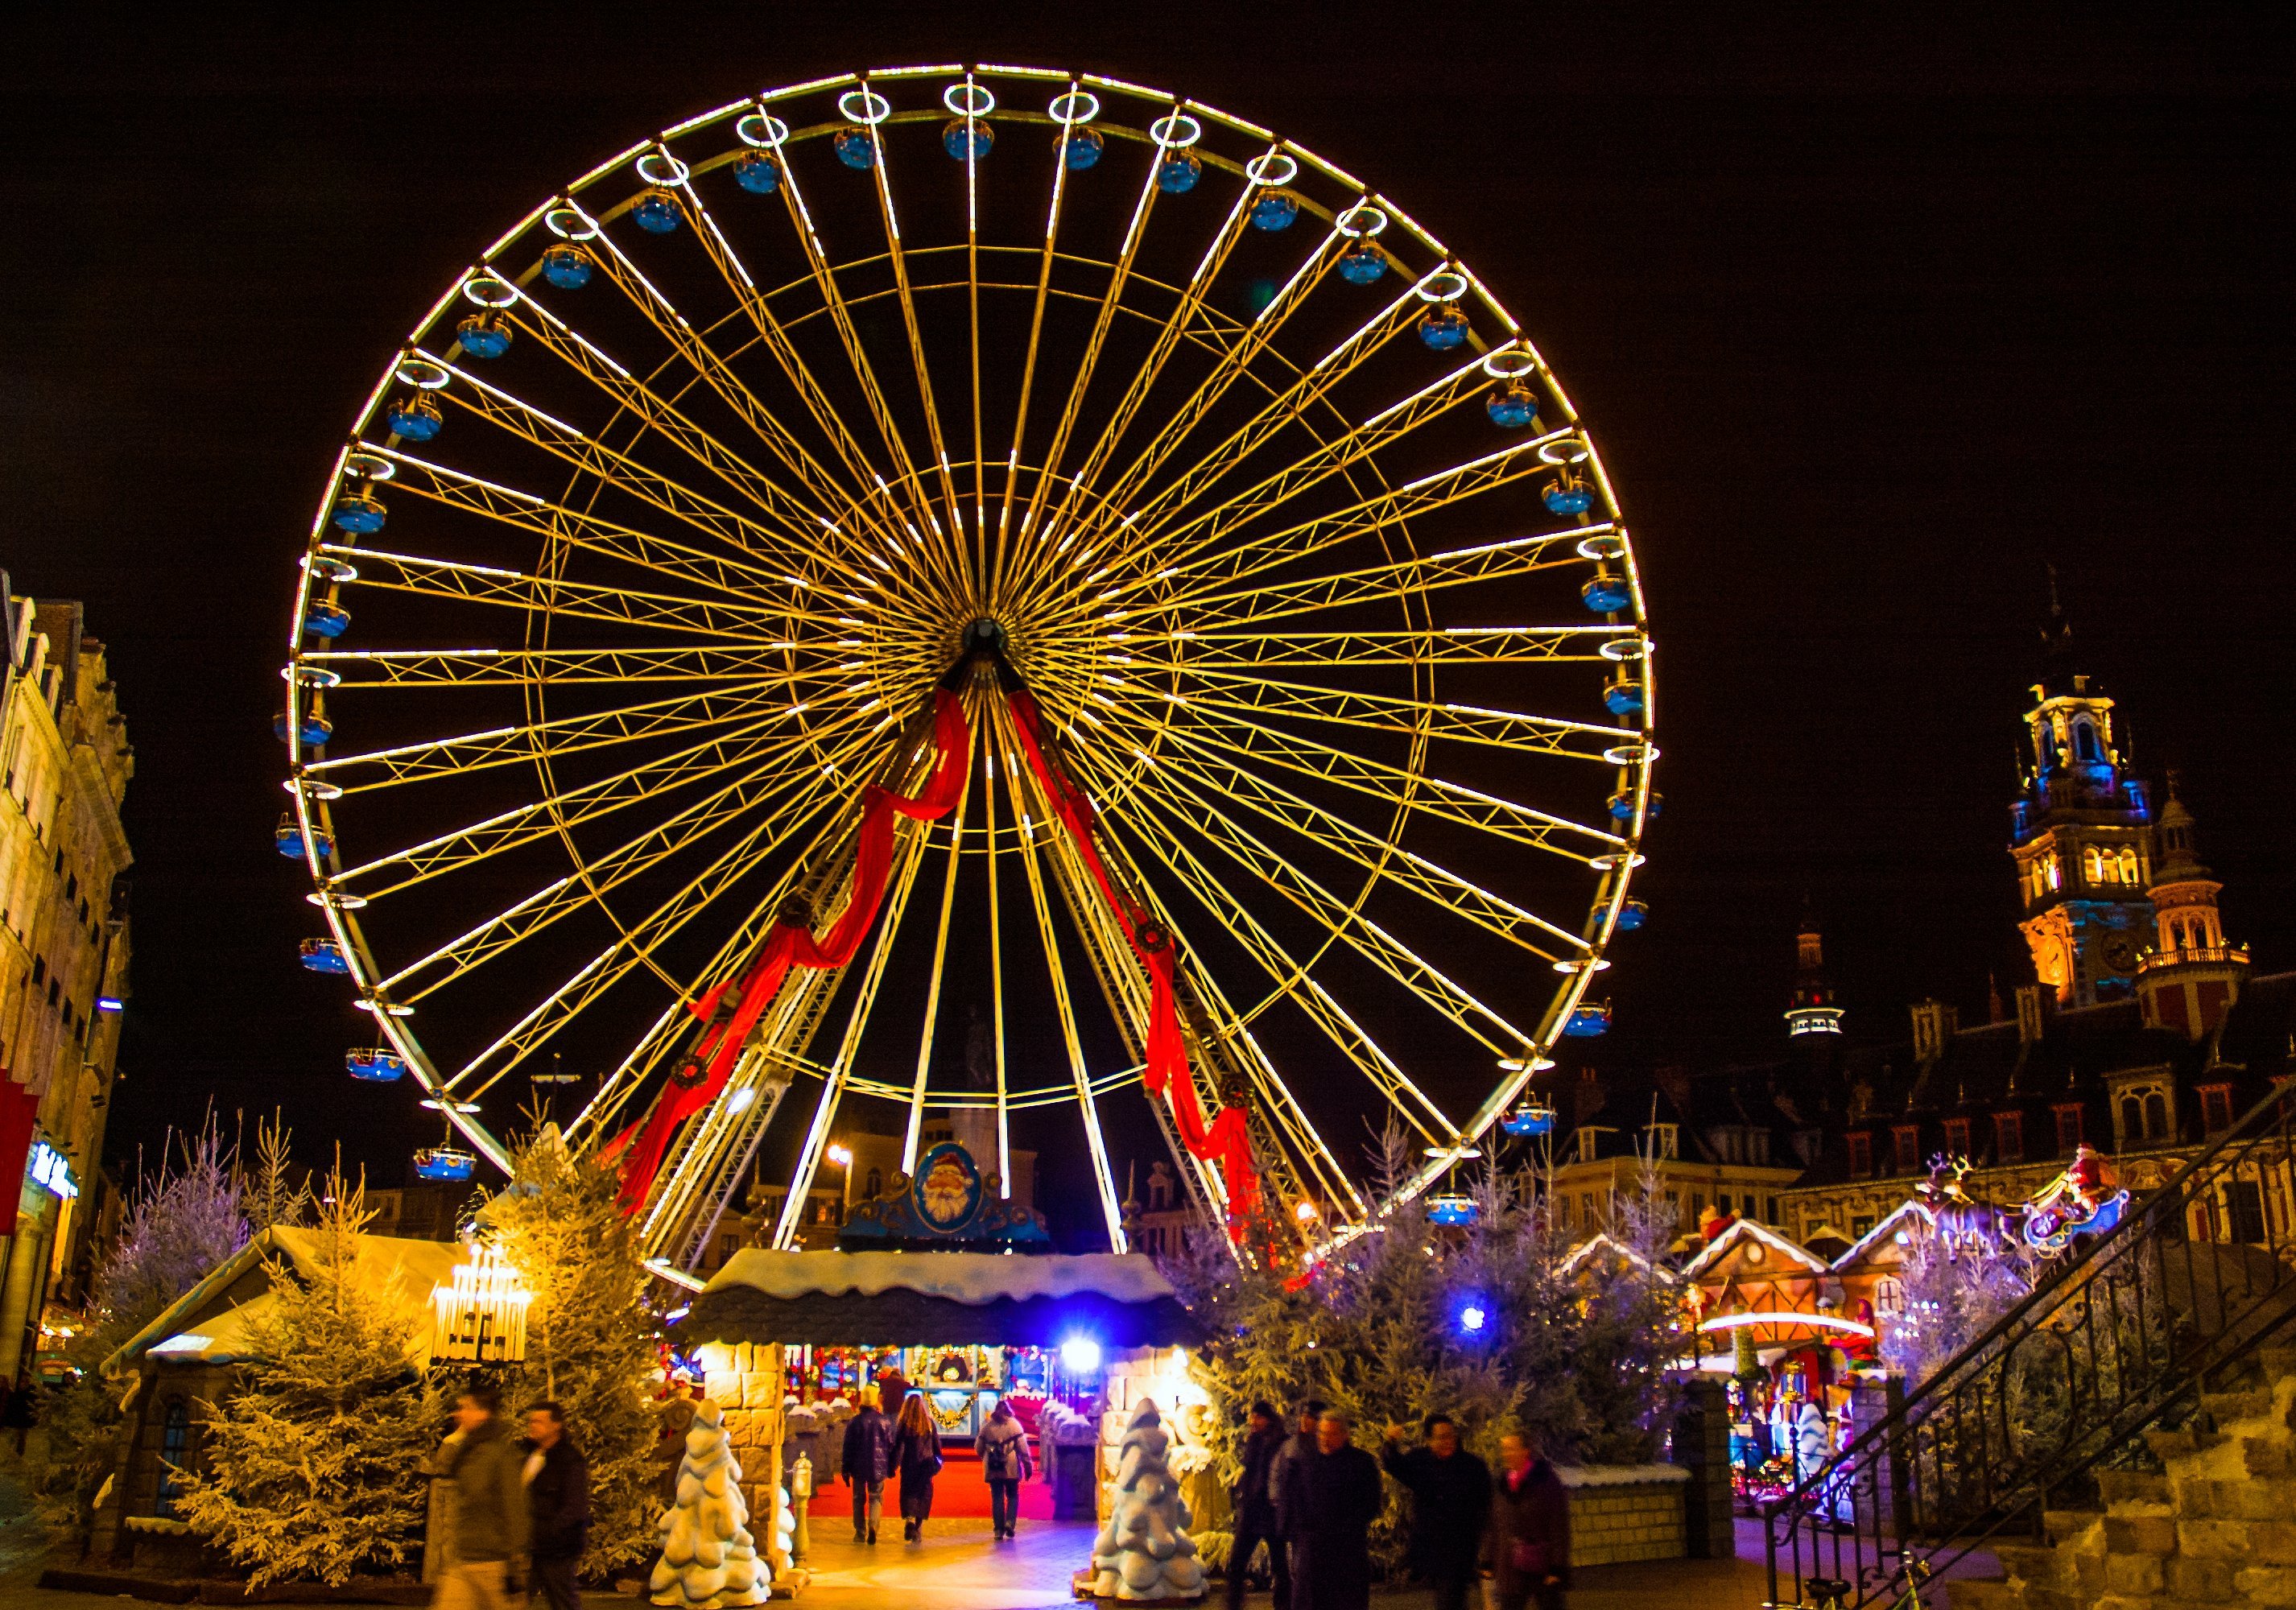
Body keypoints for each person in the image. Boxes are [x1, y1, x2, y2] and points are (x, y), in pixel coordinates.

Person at [1379, 1414, 1491, 1610]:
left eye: (1450, 1435)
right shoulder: (1421, 1461)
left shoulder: (1471, 1466)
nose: (1448, 1441)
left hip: (1459, 1546)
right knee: (1450, 1598)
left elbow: (1485, 1503)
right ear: (1430, 1440)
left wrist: (1481, 1537)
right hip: (1431, 1545)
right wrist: (1390, 1442)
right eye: (1441, 1437)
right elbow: (1396, 1465)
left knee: (1450, 1597)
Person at [434, 1383, 530, 1610]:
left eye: (465, 1408)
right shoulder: (468, 1451)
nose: (458, 1414)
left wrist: (516, 1562)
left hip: (495, 1566)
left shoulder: (501, 1455)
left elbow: (515, 1509)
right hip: (463, 1561)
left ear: (483, 1413)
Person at [1279, 1410, 1381, 1610]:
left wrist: (1347, 1526)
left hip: (1347, 1550)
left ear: (1345, 1435)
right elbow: (1295, 1499)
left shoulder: (1361, 1463)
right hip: (1313, 1550)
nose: (1326, 1440)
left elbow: (1370, 1503)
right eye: (1322, 1433)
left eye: (1332, 1434)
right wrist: (1301, 1530)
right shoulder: (1307, 1462)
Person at [1485, 1429, 1567, 1610]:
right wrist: (1487, 1560)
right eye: (1504, 1449)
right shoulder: (1501, 1484)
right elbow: (1493, 1525)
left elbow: (1558, 1525)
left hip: (1541, 1563)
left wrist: (1557, 1567)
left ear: (1525, 1451)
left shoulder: (1545, 1482)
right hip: (1509, 1564)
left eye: (1511, 1449)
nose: (1506, 1454)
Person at [522, 1401, 590, 1610]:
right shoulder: (529, 1455)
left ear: (556, 1426)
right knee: (514, 1600)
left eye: (539, 1422)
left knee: (563, 1601)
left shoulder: (569, 1460)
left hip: (556, 1549)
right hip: (530, 1546)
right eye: (531, 1421)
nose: (533, 1426)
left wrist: (549, 1532)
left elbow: (574, 1506)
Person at [1226, 1402, 1290, 1610]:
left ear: (1268, 1419)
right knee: (1237, 1562)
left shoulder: (1281, 1442)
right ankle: (1233, 1605)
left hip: (1271, 1512)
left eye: (1258, 1417)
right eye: (1252, 1417)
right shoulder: (1254, 1441)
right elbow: (1250, 1471)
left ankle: (1283, 1606)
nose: (1253, 1421)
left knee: (1280, 1565)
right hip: (1252, 1511)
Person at [840, 1385, 895, 1545]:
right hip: (878, 1466)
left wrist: (845, 1468)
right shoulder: (884, 1421)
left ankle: (860, 1532)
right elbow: (891, 1445)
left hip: (858, 1466)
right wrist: (890, 1466)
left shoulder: (855, 1422)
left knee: (858, 1498)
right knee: (876, 1497)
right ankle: (873, 1524)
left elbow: (848, 1447)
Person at [1267, 1397, 1327, 1543]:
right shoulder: (1290, 1446)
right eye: (1303, 1416)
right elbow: (1276, 1473)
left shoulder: (1325, 1446)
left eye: (1310, 1417)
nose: (1304, 1421)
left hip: (1319, 1517)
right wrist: (1279, 1502)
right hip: (1295, 1516)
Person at [976, 1398, 1034, 1541]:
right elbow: (1024, 1450)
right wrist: (1028, 1466)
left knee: (997, 1497)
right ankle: (1010, 1523)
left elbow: (978, 1448)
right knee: (1012, 1495)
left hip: (994, 1467)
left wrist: (987, 1456)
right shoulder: (1015, 1425)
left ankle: (998, 1530)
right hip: (1011, 1467)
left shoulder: (987, 1426)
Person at [890, 1391, 942, 1542]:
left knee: (908, 1493)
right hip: (926, 1465)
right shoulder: (929, 1424)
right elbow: (937, 1447)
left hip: (909, 1464)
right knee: (923, 1495)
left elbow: (898, 1448)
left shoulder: (904, 1425)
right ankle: (917, 1528)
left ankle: (909, 1520)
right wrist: (937, 1464)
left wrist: (892, 1466)